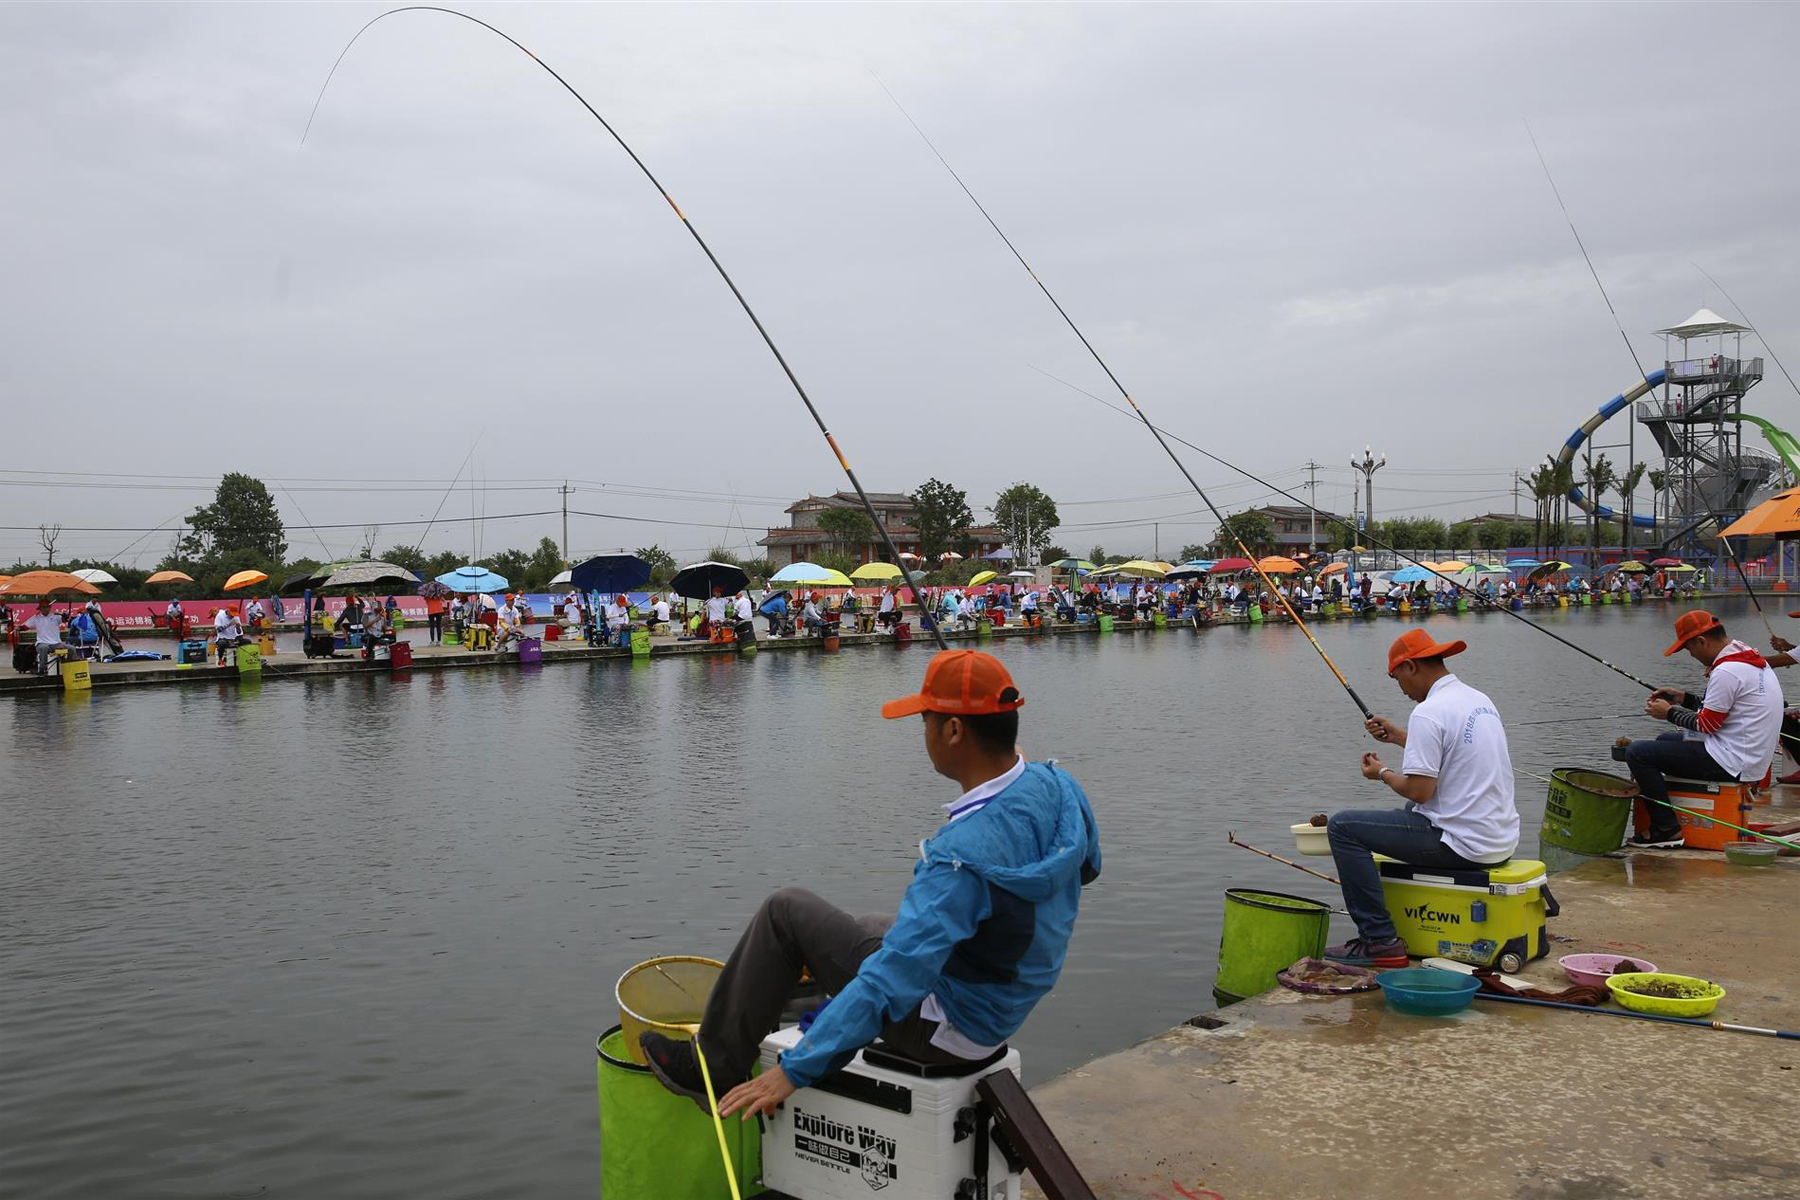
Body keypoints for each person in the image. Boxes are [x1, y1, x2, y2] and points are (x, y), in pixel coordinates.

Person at [639, 649, 1102, 1118]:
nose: (923, 733)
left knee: (786, 911)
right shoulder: (1057, 785)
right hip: (1003, 1005)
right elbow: (1088, 867)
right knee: (869, 925)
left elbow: (893, 980)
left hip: (947, 1033)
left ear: (954, 730)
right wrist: (1023, 785)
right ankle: (816, 1001)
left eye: (925, 719)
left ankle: (712, 1069)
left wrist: (793, 1070)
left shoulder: (959, 859)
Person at [1324, 629, 1520, 967]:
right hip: (1500, 839)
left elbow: (1420, 789)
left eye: (1397, 677)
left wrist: (1381, 773)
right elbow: (1453, 754)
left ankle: (1379, 940)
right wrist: (1401, 736)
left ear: (1412, 666)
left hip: (1466, 846)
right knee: (1410, 810)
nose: (1400, 689)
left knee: (1343, 827)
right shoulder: (1478, 700)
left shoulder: (1429, 712)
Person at [1623, 611, 1785, 846]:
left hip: (1733, 762)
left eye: (1689, 649)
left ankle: (1666, 829)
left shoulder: (1727, 671)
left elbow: (1706, 725)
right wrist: (1683, 698)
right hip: (1747, 755)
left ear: (1702, 641)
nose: (1691, 655)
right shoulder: (1744, 657)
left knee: (1637, 753)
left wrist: (1668, 712)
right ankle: (1670, 815)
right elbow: (1723, 708)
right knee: (1663, 741)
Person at [26, 600, 71, 674]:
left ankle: (68, 669)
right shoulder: (36, 618)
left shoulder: (56, 616)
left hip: (56, 643)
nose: (45, 609)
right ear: (40, 608)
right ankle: (42, 669)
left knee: (71, 649)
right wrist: (19, 628)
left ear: (50, 607)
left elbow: (64, 620)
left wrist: (65, 616)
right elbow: (25, 626)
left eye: (47, 607)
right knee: (44, 648)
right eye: (43, 607)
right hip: (41, 642)